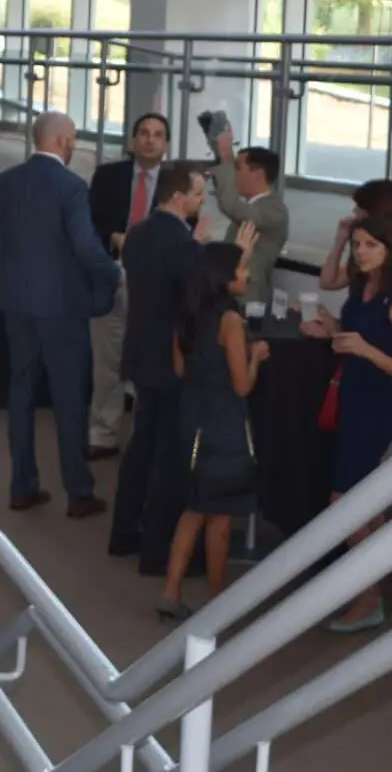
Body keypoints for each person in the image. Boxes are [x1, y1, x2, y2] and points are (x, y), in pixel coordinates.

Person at [113, 164, 254, 575]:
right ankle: (157, 552)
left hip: (139, 353)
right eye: (196, 194)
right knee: (170, 457)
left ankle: (123, 532)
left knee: (140, 445)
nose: (200, 200)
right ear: (178, 197)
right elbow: (199, 300)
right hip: (171, 361)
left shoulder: (137, 234)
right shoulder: (187, 249)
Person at [0, 112, 122, 517]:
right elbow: (85, 246)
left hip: (16, 302)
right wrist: (112, 273)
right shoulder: (71, 187)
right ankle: (78, 491)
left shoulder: (6, 181)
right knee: (69, 399)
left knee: (22, 391)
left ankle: (22, 485)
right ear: (64, 140)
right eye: (74, 138)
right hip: (61, 307)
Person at [303, 212, 392, 633]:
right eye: (358, 245)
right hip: (353, 396)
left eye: (370, 245)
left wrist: (365, 349)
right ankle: (372, 580)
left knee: (344, 502)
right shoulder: (362, 287)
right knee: (367, 500)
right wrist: (331, 330)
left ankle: (366, 592)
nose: (362, 253)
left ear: (390, 248)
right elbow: (352, 336)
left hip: (378, 406)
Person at [159, 242, 270, 621]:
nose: (247, 275)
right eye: (242, 269)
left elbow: (179, 370)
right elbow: (241, 386)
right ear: (224, 275)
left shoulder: (186, 313)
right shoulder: (231, 321)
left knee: (193, 510)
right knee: (220, 519)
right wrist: (255, 358)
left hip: (193, 422)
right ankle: (217, 603)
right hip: (224, 427)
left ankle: (170, 591)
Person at [85, 112, 170, 461]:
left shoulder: (176, 184)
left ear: (166, 144)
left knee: (146, 361)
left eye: (158, 135)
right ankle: (101, 434)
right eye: (144, 133)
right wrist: (113, 236)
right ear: (134, 140)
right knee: (106, 358)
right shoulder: (108, 176)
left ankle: (143, 441)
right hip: (110, 272)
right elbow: (89, 222)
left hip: (152, 283)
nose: (150, 140)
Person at [210, 131, 288, 310]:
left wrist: (226, 158)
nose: (232, 173)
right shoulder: (253, 207)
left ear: (259, 175)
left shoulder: (274, 210)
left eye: (237, 167)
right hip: (228, 295)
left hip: (248, 302)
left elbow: (229, 203)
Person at [320, 179, 392, 291]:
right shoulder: (364, 255)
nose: (354, 211)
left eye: (359, 206)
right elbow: (327, 282)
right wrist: (340, 240)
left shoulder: (391, 265)